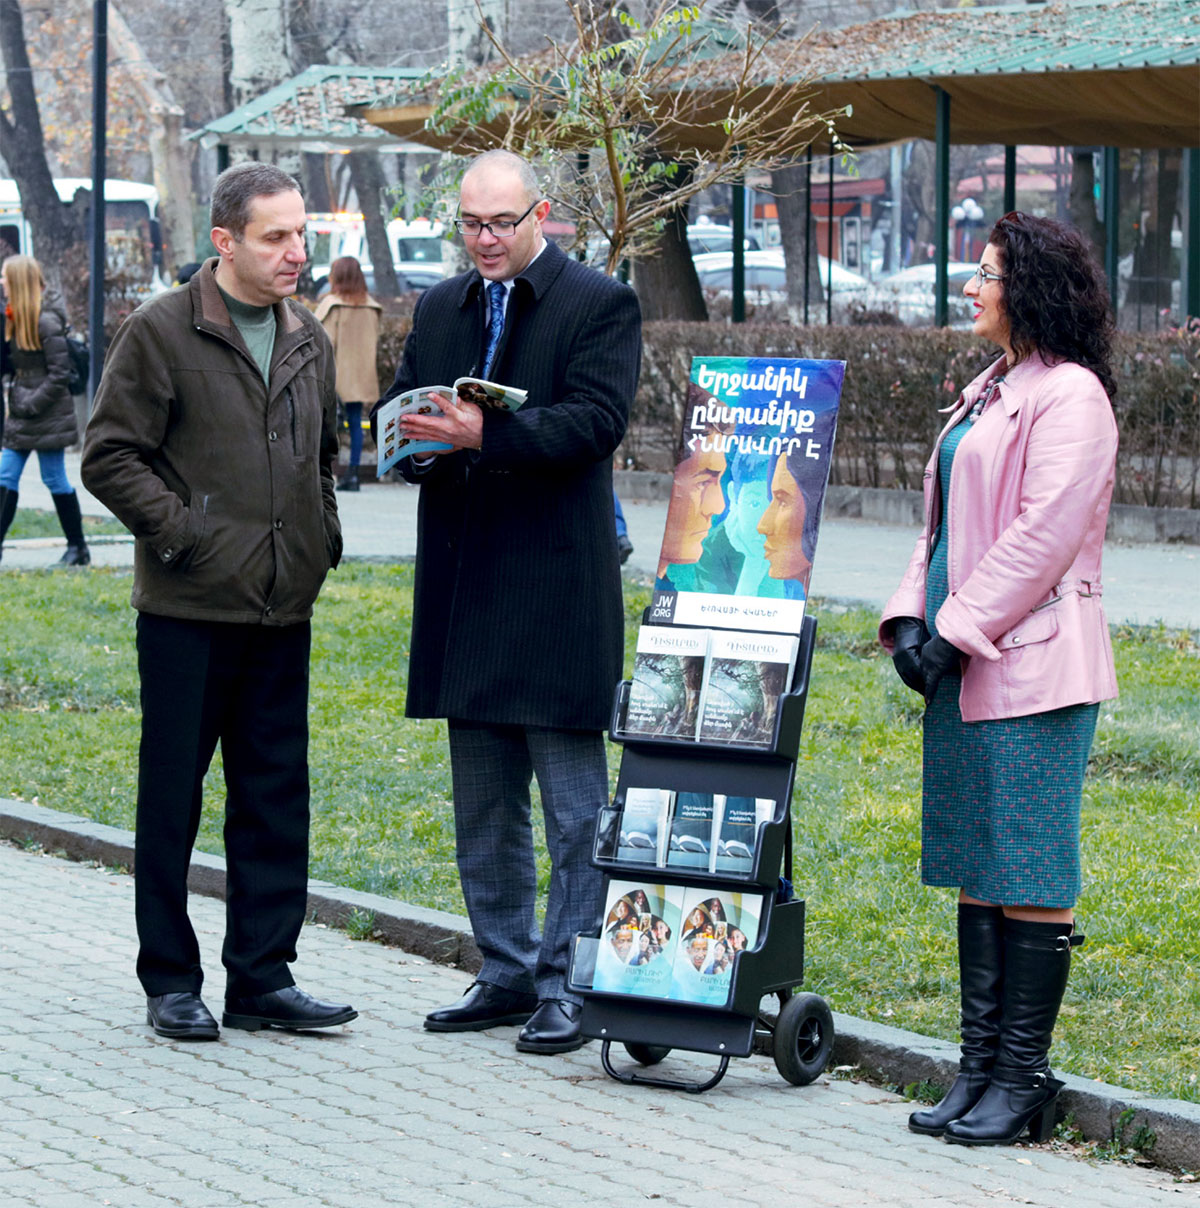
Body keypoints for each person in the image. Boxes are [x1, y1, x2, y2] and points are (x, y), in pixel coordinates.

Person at [81, 162, 356, 1042]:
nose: (296, 252)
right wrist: (185, 537)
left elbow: (322, 457)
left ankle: (263, 979)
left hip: (283, 607)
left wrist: (322, 538)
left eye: (302, 235)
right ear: (224, 241)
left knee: (276, 794)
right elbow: (110, 455)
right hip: (188, 610)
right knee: (174, 797)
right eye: (276, 237)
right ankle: (170, 979)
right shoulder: (162, 331)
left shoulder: (307, 334)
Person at [378, 148, 641, 1055]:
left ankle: (571, 979)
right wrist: (410, 442)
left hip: (557, 588)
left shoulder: (598, 302)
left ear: (544, 214)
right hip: (465, 585)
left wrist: (486, 431)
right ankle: (503, 968)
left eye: (501, 222)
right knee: (484, 804)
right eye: (471, 224)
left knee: (574, 809)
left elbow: (595, 423)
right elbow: (409, 404)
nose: (485, 240)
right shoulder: (442, 305)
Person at [879, 212, 1119, 1147]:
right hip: (966, 662)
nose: (971, 287)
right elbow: (938, 534)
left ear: (1033, 288)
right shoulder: (989, 389)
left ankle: (1021, 1082)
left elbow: (1041, 538)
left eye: (986, 273)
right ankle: (977, 1071)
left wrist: (954, 632)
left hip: (1035, 669)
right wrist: (911, 623)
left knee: (1029, 867)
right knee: (982, 868)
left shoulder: (1073, 398)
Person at [0, 255, 90, 567]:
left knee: (54, 478)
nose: (1, 283)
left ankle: (78, 548)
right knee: (5, 474)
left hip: (46, 414)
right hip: (25, 413)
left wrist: (30, 404)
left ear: (18, 283)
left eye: (5, 278)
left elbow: (59, 374)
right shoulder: (14, 320)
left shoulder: (45, 322)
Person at [313, 256, 381, 492]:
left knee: (325, 424)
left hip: (332, 375)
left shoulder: (332, 304)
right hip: (359, 376)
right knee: (354, 423)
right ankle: (353, 474)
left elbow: (323, 342)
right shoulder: (370, 306)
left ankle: (325, 474)